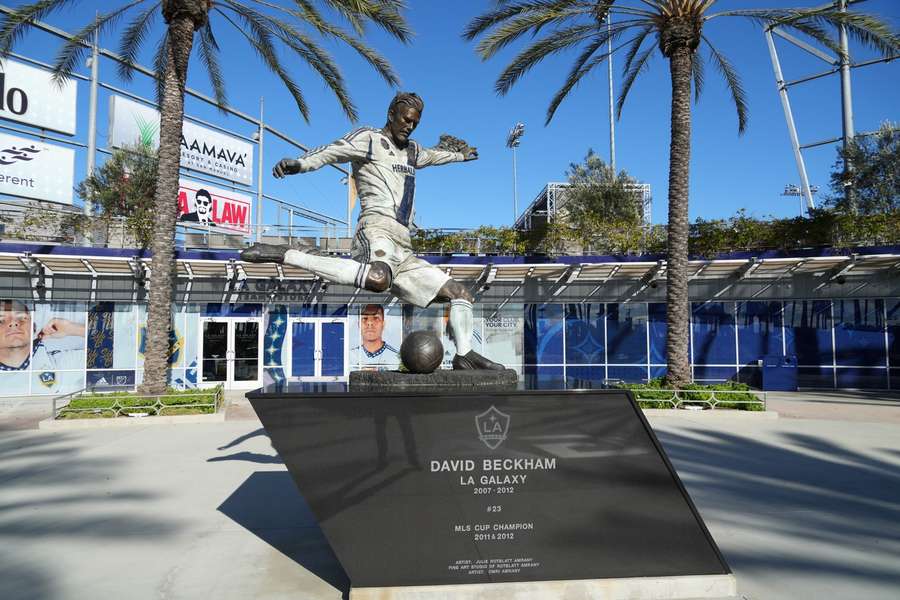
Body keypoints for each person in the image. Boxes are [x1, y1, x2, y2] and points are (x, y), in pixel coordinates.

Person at [242, 92, 503, 370]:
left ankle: (464, 355)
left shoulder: (413, 150)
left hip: (404, 245)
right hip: (375, 229)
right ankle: (288, 254)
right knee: (378, 278)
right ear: (391, 113)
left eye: (414, 123)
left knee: (460, 293)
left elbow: (434, 156)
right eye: (405, 119)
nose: (409, 126)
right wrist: (301, 163)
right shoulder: (369, 138)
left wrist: (458, 156)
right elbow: (333, 150)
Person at [0, 299, 86, 393]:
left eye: (22, 318)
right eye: (1, 320)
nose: (13, 323)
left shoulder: (60, 363)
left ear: (34, 328)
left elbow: (103, 357)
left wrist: (73, 328)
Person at [352, 304, 400, 369]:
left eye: (376, 318)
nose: (370, 323)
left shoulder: (395, 357)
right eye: (365, 318)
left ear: (383, 324)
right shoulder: (351, 356)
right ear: (359, 324)